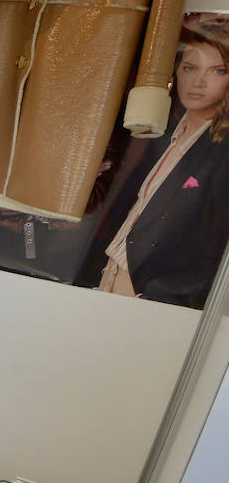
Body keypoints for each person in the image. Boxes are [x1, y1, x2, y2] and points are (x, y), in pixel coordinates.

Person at [99, 18, 229, 308]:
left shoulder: (221, 150)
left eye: (217, 70)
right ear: (177, 71)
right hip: (112, 270)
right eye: (190, 68)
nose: (199, 82)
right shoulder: (162, 131)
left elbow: (216, 243)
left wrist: (164, 293)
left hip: (150, 293)